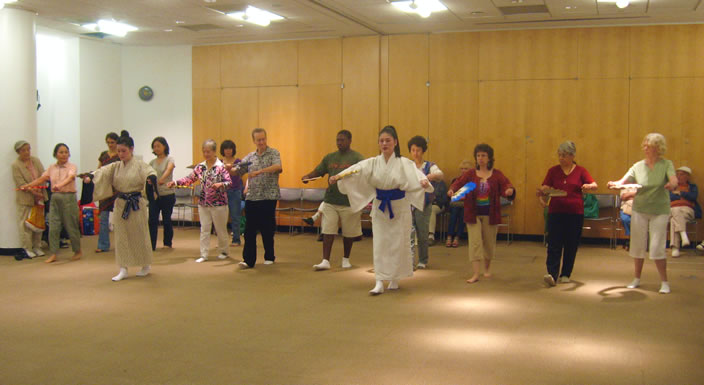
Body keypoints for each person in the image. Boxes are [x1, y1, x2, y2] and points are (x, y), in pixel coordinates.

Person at [332, 125, 433, 295]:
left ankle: (394, 278)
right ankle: (379, 280)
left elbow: (417, 177)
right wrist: (339, 176)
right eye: (381, 141)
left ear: (395, 142)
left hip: (399, 208)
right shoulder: (372, 163)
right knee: (380, 244)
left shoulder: (404, 163)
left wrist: (423, 182)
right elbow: (356, 170)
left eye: (388, 140)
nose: (384, 144)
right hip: (380, 207)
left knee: (397, 244)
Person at [608, 133, 677, 294]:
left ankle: (664, 282)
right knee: (637, 244)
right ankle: (636, 279)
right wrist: (615, 184)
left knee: (657, 246)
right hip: (640, 209)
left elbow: (673, 180)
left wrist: (671, 184)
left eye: (649, 145)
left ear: (658, 147)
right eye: (644, 145)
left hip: (660, 210)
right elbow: (623, 181)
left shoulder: (666, 164)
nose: (645, 148)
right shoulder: (637, 166)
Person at [84, 130, 158, 281]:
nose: (121, 154)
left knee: (140, 234)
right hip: (121, 203)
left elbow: (150, 171)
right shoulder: (115, 166)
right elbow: (101, 172)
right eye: (118, 151)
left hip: (136, 204)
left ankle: (145, 265)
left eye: (123, 151)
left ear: (131, 149)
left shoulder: (140, 165)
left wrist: (150, 178)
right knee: (121, 237)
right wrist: (90, 177)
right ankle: (123, 268)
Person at [449, 144, 515, 283]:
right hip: (473, 214)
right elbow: (458, 183)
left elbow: (506, 185)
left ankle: (487, 269)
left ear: (489, 157)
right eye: (478, 155)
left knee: (489, 243)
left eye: (484, 155)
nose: (481, 158)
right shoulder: (471, 174)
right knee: (475, 243)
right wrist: (452, 190)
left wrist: (509, 191)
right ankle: (475, 274)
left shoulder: (496, 174)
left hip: (490, 214)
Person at [301, 130, 364, 270]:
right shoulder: (330, 157)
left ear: (349, 140)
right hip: (330, 200)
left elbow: (363, 175)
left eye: (342, 140)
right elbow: (319, 171)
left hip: (349, 202)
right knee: (328, 230)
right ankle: (325, 260)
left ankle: (346, 259)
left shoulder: (357, 158)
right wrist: (308, 176)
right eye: (337, 140)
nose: (339, 143)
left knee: (348, 233)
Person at [538, 141, 597, 287]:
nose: (561, 158)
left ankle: (566, 273)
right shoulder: (553, 171)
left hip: (575, 213)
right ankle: (552, 273)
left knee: (571, 244)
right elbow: (544, 186)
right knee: (553, 243)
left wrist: (588, 186)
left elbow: (594, 185)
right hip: (556, 211)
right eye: (559, 155)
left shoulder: (581, 171)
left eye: (564, 155)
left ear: (572, 156)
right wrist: (543, 191)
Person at [168, 139, 232, 263]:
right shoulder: (200, 167)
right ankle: (204, 254)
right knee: (204, 229)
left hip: (219, 204)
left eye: (208, 151)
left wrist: (220, 184)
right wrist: (175, 183)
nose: (206, 154)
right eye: (204, 151)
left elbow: (229, 183)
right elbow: (189, 179)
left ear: (214, 152)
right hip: (203, 203)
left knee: (220, 229)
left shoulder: (221, 167)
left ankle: (224, 251)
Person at [20, 143, 82, 263]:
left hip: (68, 198)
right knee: (53, 226)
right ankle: (54, 253)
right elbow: (41, 179)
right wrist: (27, 186)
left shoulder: (72, 166)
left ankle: (77, 251)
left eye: (66, 152)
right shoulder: (51, 167)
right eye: (61, 152)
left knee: (71, 225)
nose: (64, 155)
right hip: (55, 199)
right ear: (55, 154)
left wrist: (59, 185)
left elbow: (70, 178)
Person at [237, 128, 282, 269]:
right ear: (254, 141)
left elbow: (278, 167)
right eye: (259, 140)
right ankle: (248, 260)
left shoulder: (274, 153)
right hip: (252, 197)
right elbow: (239, 170)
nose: (261, 142)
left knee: (267, 228)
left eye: (263, 139)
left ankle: (269, 256)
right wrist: (230, 168)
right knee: (249, 230)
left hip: (269, 196)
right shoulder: (250, 157)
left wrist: (260, 171)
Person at [407, 136, 444, 269]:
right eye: (413, 150)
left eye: (418, 150)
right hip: (409, 204)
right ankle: (409, 261)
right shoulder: (408, 166)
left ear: (423, 151)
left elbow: (440, 175)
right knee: (408, 233)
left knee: (422, 233)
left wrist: (429, 176)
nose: (415, 153)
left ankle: (423, 259)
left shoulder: (429, 166)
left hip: (424, 204)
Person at [12, 141, 48, 258]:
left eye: (28, 149)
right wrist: (33, 192)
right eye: (23, 150)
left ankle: (37, 246)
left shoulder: (35, 160)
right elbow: (21, 184)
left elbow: (44, 175)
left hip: (40, 196)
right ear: (18, 152)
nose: (27, 152)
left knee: (38, 223)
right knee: (25, 224)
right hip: (26, 198)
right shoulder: (16, 165)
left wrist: (39, 192)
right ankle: (27, 248)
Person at [148, 137, 176, 250]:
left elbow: (169, 170)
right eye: (154, 146)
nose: (156, 148)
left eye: (158, 146)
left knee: (166, 220)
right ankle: (151, 245)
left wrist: (162, 179)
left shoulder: (170, 159)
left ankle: (167, 243)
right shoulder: (151, 162)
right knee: (152, 220)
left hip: (167, 194)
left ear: (164, 146)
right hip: (154, 195)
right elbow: (148, 173)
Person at [95, 132, 120, 253]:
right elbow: (99, 169)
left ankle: (123, 244)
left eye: (112, 142)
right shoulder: (103, 155)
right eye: (108, 142)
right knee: (103, 217)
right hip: (105, 189)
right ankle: (103, 244)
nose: (110, 145)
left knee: (121, 217)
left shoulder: (120, 155)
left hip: (118, 188)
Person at [668, 166, 700, 257]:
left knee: (673, 219)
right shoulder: (672, 186)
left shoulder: (692, 187)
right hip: (672, 210)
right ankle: (683, 235)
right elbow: (669, 198)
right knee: (676, 210)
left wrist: (680, 193)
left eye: (681, 174)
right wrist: (683, 196)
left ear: (687, 176)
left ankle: (675, 248)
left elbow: (693, 197)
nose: (678, 176)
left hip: (688, 211)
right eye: (677, 174)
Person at [220, 139, 244, 246]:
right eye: (226, 149)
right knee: (221, 217)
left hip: (235, 191)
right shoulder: (219, 162)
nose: (228, 151)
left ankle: (236, 239)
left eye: (230, 148)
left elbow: (240, 174)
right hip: (222, 191)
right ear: (223, 150)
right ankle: (222, 241)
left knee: (235, 216)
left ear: (233, 150)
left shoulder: (238, 161)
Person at [446, 160, 472, 247]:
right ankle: (449, 236)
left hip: (468, 204)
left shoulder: (473, 181)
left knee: (463, 213)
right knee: (454, 212)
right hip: (456, 203)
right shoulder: (457, 180)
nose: (463, 171)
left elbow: (471, 196)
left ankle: (457, 237)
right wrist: (451, 191)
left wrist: (458, 196)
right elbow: (452, 190)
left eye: (466, 169)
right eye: (462, 169)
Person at [427, 179, 448, 246]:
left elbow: (445, 199)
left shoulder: (441, 184)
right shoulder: (424, 182)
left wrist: (435, 199)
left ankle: (431, 235)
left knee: (432, 209)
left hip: (438, 204)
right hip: (425, 204)